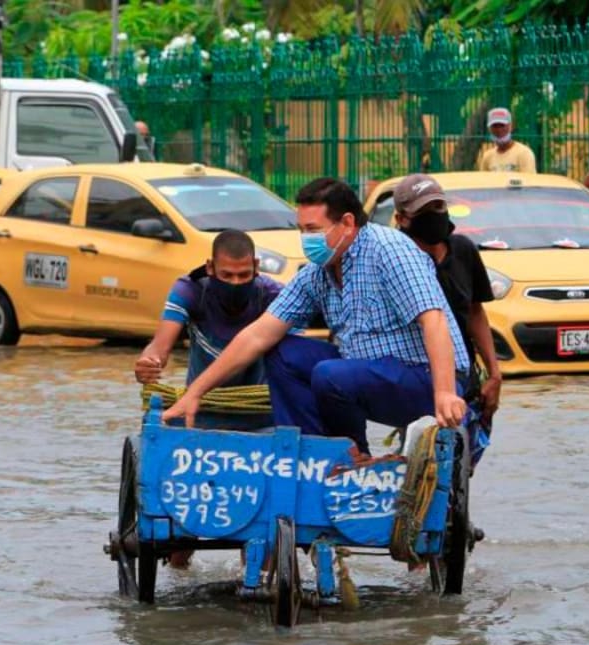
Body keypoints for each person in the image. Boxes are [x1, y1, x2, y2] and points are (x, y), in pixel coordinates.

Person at [162, 177, 470, 455]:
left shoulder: (389, 249)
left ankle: (349, 452)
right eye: (301, 230)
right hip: (369, 378)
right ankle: (319, 454)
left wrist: (443, 393)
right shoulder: (317, 274)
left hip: (426, 381)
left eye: (313, 230)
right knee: (283, 351)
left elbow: (434, 320)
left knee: (329, 374)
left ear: (347, 223)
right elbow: (258, 335)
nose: (306, 239)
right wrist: (196, 392)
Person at [134, 229, 280, 420]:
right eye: (226, 275)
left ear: (256, 266)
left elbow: (293, 355)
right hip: (199, 409)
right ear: (210, 267)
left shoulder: (273, 295)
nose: (235, 283)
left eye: (244, 275)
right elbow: (160, 347)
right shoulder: (190, 290)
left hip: (260, 412)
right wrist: (148, 364)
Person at [392, 174, 502, 427]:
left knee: (462, 454)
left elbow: (475, 312)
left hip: (463, 376)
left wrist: (494, 374)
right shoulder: (397, 258)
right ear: (401, 220)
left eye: (438, 207)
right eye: (423, 212)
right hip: (416, 377)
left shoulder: (463, 250)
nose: (434, 215)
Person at [476, 108, 536, 174]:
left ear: (511, 126)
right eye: (495, 126)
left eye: (502, 125)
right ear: (489, 129)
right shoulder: (487, 157)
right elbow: (484, 182)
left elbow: (528, 181)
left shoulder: (524, 154)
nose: (499, 130)